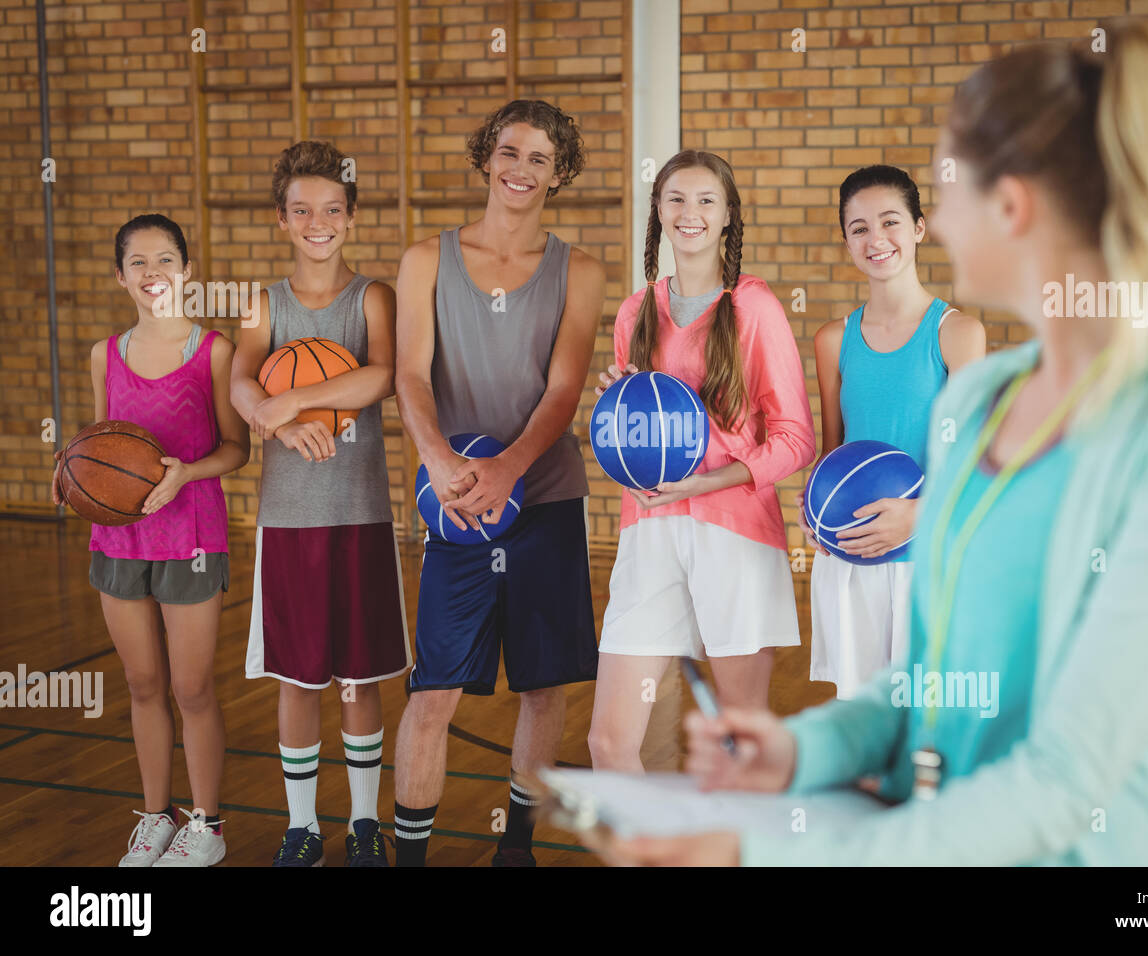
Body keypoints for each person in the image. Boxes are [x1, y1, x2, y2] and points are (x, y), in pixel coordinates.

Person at [594, 18, 1148, 866]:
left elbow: (1068, 773)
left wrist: (770, 854)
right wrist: (807, 752)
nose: (906, 227)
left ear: (1012, 204)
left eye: (940, 189)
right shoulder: (994, 397)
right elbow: (939, 679)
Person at [392, 99, 604, 867]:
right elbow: (409, 373)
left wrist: (508, 469)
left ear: (560, 174)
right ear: (487, 157)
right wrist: (440, 462)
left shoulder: (579, 270)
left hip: (543, 498)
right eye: (510, 152)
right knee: (433, 694)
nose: (521, 169)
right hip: (455, 506)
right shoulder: (426, 260)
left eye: (541, 159)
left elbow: (563, 390)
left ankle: (515, 849)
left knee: (544, 687)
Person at [587, 149, 816, 772]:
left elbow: (797, 438)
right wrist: (620, 408)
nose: (690, 213)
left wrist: (703, 481)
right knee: (608, 743)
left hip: (734, 535)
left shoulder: (755, 308)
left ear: (727, 217)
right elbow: (638, 434)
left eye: (706, 201)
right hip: (648, 530)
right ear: (658, 212)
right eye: (676, 200)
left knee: (740, 745)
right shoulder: (635, 311)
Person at [231, 140, 409, 867]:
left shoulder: (371, 298)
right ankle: (302, 826)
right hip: (290, 518)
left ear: (351, 217)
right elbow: (242, 385)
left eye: (331, 209)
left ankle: (365, 823)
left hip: (362, 509)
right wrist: (270, 411)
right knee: (298, 676)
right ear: (282, 219)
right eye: (301, 209)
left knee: (359, 676)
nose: (317, 221)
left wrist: (294, 402)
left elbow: (384, 376)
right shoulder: (261, 304)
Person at [51, 214, 249, 866]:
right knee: (141, 684)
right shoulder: (103, 356)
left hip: (192, 535)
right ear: (120, 276)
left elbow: (236, 449)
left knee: (191, 689)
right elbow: (97, 451)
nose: (152, 273)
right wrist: (69, 479)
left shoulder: (212, 352)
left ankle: (208, 827)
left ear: (186, 271)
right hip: (118, 542)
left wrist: (186, 472)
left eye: (165, 260)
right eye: (138, 262)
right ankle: (156, 818)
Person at [801, 165, 984, 699]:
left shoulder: (958, 335)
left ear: (920, 228)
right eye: (858, 228)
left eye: (890, 222)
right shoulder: (833, 340)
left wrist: (918, 514)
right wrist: (814, 509)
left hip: (928, 558)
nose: (875, 239)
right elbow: (832, 452)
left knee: (926, 728)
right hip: (853, 556)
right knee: (862, 724)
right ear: (846, 242)